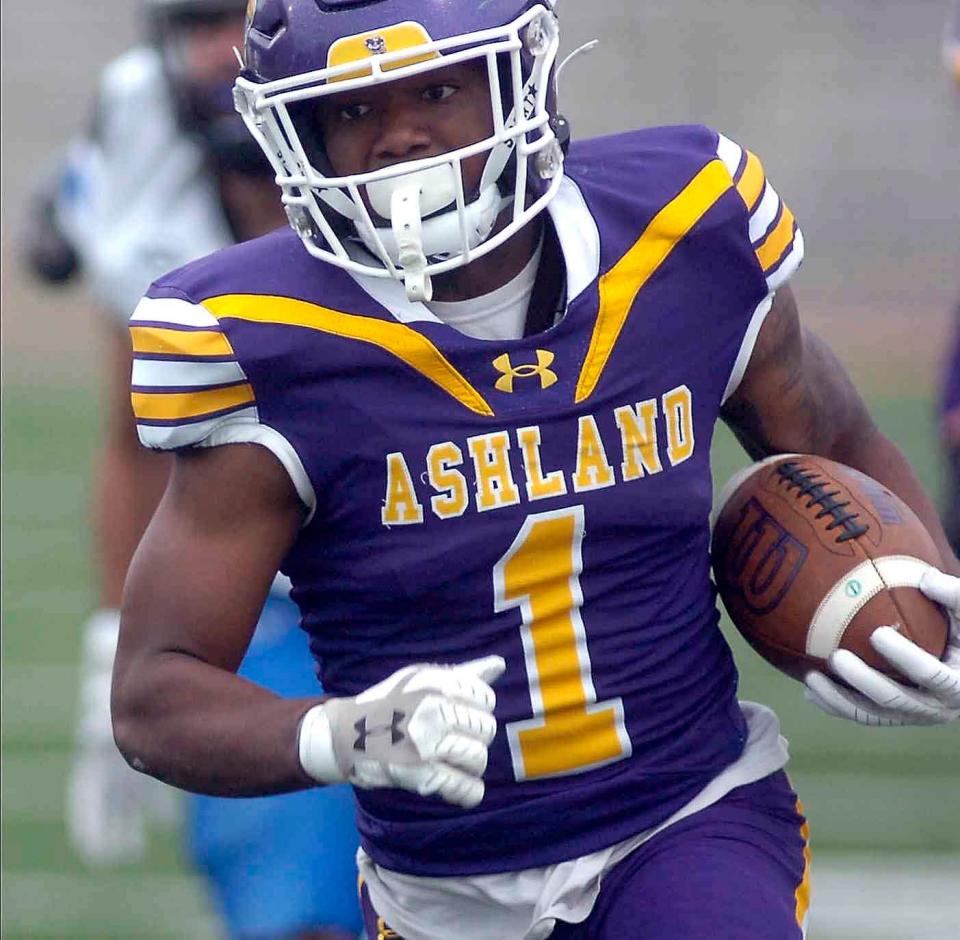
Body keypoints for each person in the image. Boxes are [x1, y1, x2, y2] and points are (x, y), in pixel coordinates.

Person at [110, 1, 960, 937]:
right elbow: (156, 692)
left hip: (686, 817)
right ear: (294, 130)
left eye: (436, 89)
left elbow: (832, 439)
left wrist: (930, 596)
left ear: (519, 80)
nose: (400, 140)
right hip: (441, 894)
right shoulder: (268, 341)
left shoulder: (682, 230)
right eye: (353, 111)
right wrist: (340, 734)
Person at [23, 1, 362, 937]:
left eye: (247, 15)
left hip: (441, 532)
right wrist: (111, 649)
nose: (225, 50)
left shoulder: (392, 96)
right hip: (268, 587)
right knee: (298, 912)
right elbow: (134, 430)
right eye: (201, 22)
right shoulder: (141, 118)